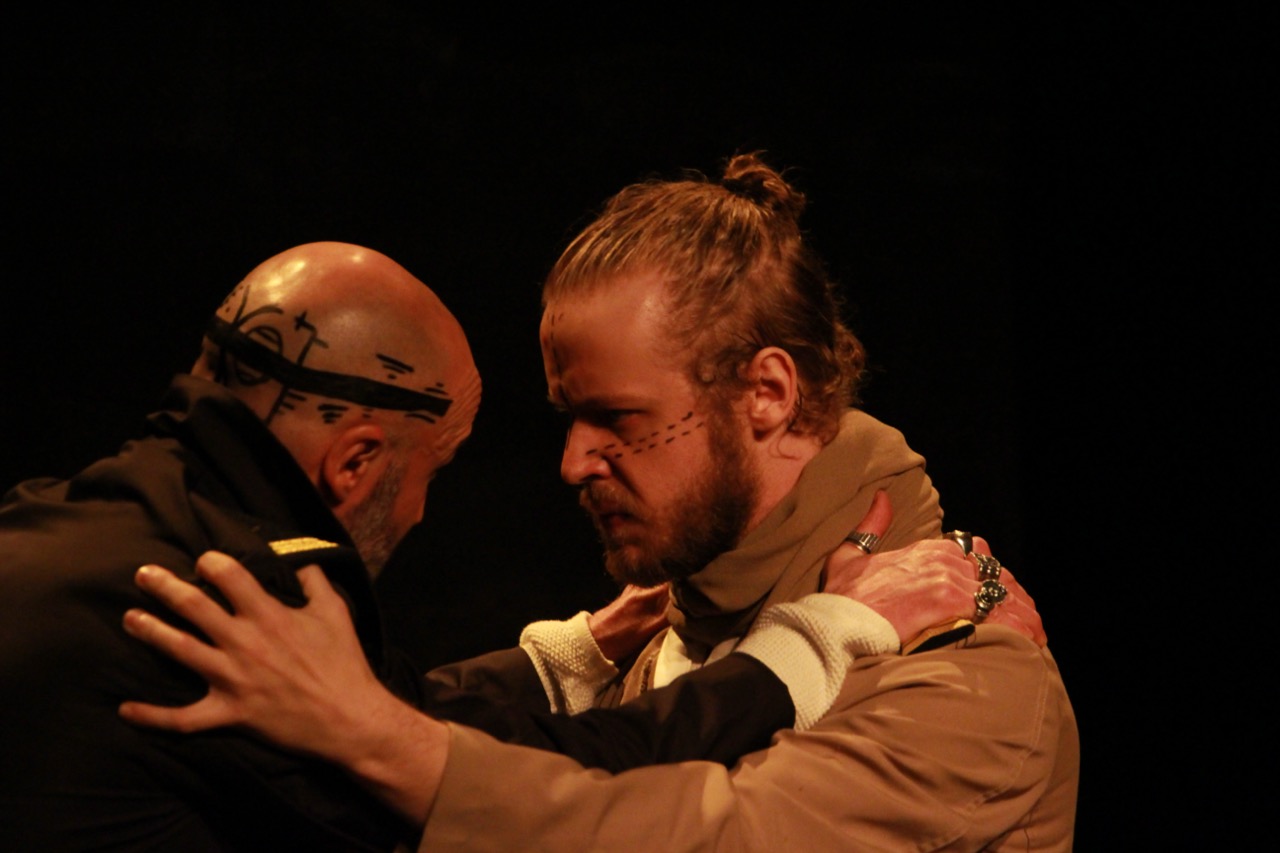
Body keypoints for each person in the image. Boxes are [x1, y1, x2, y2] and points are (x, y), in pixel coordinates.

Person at [119, 155, 1077, 850]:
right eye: (570, 419)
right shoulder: (659, 643)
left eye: (618, 418)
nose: (575, 462)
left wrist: (387, 744)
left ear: (768, 393)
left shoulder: (969, 674)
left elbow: (721, 837)